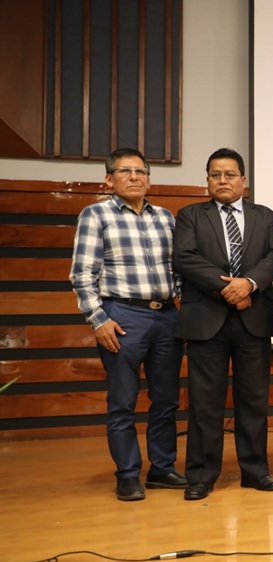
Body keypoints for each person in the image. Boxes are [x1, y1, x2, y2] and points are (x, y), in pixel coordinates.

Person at [69, 148, 185, 501]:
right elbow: (82, 274)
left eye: (140, 171)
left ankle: (161, 469)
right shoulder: (95, 215)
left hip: (166, 316)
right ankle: (128, 473)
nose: (134, 177)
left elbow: (177, 271)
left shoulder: (166, 218)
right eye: (125, 171)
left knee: (166, 399)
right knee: (123, 402)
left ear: (149, 178)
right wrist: (98, 319)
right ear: (109, 179)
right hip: (122, 317)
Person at [174, 148, 273, 500]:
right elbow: (185, 258)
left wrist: (249, 284)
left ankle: (255, 470)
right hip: (207, 318)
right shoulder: (190, 215)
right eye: (215, 174)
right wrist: (229, 288)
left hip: (254, 318)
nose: (223, 180)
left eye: (230, 174)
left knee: (253, 400)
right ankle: (202, 475)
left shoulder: (265, 216)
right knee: (205, 402)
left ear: (243, 181)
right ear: (207, 180)